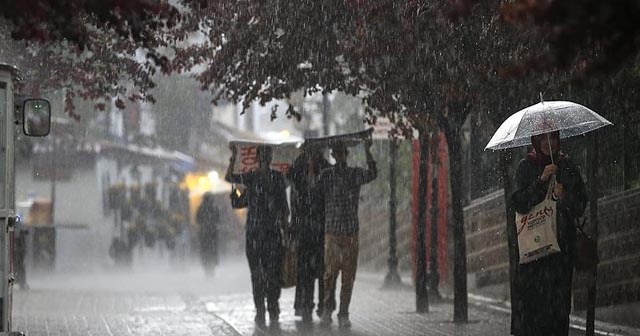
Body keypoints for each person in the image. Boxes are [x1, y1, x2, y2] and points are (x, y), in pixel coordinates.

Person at [510, 131, 588, 336]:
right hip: (534, 256)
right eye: (543, 138)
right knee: (535, 315)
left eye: (552, 137)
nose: (548, 143)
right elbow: (518, 203)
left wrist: (566, 196)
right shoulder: (526, 167)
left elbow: (580, 204)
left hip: (561, 255)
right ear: (535, 141)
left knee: (559, 314)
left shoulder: (566, 166)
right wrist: (541, 181)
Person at [225, 145, 289, 326]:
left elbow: (283, 208)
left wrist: (233, 157)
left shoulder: (269, 178)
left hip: (265, 233)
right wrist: (233, 157)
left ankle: (268, 307)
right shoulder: (257, 178)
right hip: (261, 233)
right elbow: (230, 178)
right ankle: (265, 307)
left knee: (266, 273)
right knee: (263, 273)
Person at [318, 139, 377, 328]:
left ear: (346, 154)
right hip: (332, 232)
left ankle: (343, 312)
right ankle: (328, 308)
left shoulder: (354, 174)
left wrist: (368, 151)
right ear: (334, 155)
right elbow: (313, 189)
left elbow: (373, 173)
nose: (340, 156)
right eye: (337, 153)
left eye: (342, 152)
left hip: (350, 231)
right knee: (330, 274)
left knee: (348, 276)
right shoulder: (326, 175)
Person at [288, 145, 331, 323]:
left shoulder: (325, 171)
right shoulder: (298, 171)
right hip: (305, 229)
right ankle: (306, 305)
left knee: (322, 271)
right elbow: (295, 197)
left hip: (320, 229)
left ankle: (323, 305)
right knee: (305, 270)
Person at [196, 192, 220, 276]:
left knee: (205, 251)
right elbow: (218, 219)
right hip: (213, 233)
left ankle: (206, 268)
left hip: (203, 233)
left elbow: (197, 220)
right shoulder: (214, 207)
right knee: (212, 250)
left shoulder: (200, 208)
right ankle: (212, 268)